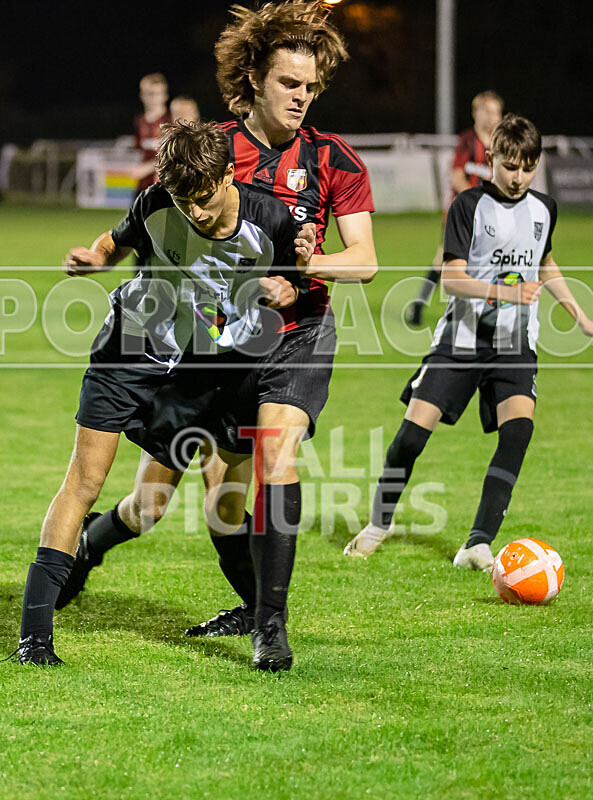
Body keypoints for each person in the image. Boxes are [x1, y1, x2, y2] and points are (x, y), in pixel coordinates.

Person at [56, 0, 377, 672]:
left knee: (274, 460)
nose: (302, 97)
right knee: (162, 503)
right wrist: (100, 257)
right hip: (215, 342)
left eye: (311, 86)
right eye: (290, 83)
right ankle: (89, 545)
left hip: (297, 335)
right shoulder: (210, 151)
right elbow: (144, 219)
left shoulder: (333, 160)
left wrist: (300, 266)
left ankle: (270, 627)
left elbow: (365, 262)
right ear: (256, 77)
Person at [12, 120, 313, 666]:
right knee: (85, 479)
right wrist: (94, 259)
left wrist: (281, 289)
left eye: (201, 198)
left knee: (166, 504)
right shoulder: (156, 201)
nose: (192, 212)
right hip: (129, 347)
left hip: (202, 371)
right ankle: (33, 638)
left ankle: (257, 615)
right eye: (181, 200)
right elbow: (115, 240)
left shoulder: (269, 218)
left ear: (228, 175)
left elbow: (297, 280)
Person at [345, 114, 593, 566]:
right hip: (460, 340)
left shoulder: (544, 209)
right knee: (412, 437)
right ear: (492, 158)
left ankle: (477, 542)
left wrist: (577, 312)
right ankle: (379, 522)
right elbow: (453, 279)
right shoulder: (468, 206)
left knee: (518, 431)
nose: (517, 177)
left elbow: (546, 262)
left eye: (527, 167)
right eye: (509, 165)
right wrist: (507, 292)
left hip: (515, 342)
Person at [408, 91, 504, 327]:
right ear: (476, 113)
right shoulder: (467, 141)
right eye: (488, 111)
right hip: (461, 212)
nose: (494, 117)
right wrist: (478, 201)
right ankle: (419, 305)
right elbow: (457, 177)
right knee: (445, 259)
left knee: (491, 259)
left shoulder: (502, 145)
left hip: (490, 215)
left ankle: (485, 311)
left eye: (497, 112)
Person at [129, 73, 171, 193]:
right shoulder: (139, 121)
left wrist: (148, 167)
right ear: (142, 95)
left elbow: (176, 155)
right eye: (149, 93)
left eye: (157, 94)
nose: (153, 98)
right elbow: (138, 150)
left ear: (165, 96)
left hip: (166, 186)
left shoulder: (172, 121)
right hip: (143, 186)